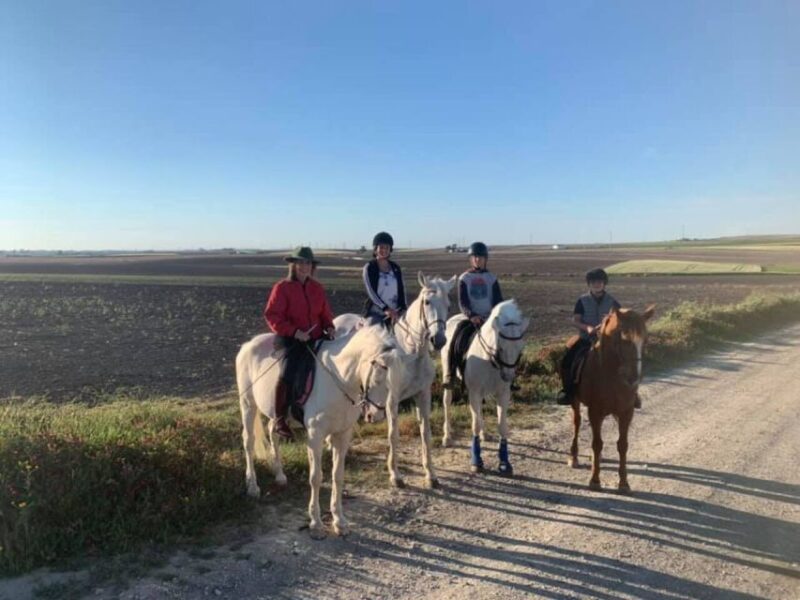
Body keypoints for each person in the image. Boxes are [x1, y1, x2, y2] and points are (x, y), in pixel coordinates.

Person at [264, 246, 336, 439]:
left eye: (308, 262)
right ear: (293, 265)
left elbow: (325, 314)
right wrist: (295, 332)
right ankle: (280, 417)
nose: (305, 266)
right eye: (301, 262)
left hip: (315, 337)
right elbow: (272, 316)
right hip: (289, 339)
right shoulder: (282, 288)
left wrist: (329, 327)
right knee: (289, 370)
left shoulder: (317, 288)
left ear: (312, 266)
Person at [556, 267, 640, 408]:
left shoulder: (612, 302)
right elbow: (575, 320)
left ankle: (632, 393)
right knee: (567, 360)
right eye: (594, 282)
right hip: (585, 339)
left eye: (600, 281)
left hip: (608, 341)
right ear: (589, 284)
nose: (597, 284)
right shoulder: (582, 301)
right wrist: (588, 328)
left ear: (604, 283)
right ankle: (568, 392)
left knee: (629, 359)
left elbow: (621, 320)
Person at [442, 241, 504, 389]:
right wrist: (472, 315)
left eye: (480, 257)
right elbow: (463, 302)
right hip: (471, 318)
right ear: (471, 259)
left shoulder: (492, 278)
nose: (477, 260)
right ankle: (450, 374)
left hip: (489, 319)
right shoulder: (465, 278)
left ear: (485, 259)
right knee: (457, 338)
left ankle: (509, 377)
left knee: (508, 341)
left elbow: (498, 300)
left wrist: (494, 316)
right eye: (475, 257)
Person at [362, 231, 408, 327]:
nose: (384, 250)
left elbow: (401, 289)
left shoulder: (396, 268)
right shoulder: (369, 267)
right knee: (372, 334)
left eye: (387, 247)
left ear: (390, 249)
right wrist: (385, 309)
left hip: (396, 313)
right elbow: (371, 292)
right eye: (381, 247)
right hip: (377, 313)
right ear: (375, 249)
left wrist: (404, 307)